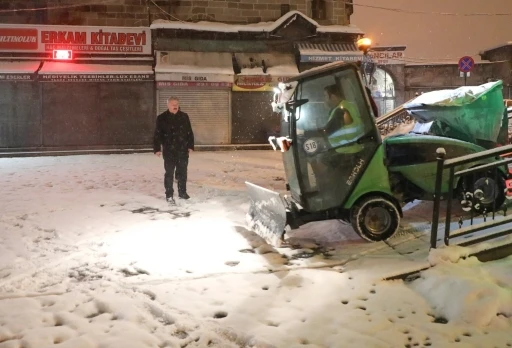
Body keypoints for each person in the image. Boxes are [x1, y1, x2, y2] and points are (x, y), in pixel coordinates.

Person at [153, 96, 194, 204]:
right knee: (169, 173)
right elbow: (157, 134)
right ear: (168, 105)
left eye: (176, 104)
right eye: (173, 104)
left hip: (182, 150)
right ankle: (169, 194)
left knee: (182, 173)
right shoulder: (161, 118)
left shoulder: (184, 116)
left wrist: (190, 146)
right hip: (169, 150)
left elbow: (189, 132)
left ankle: (182, 192)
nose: (175, 106)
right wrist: (157, 148)